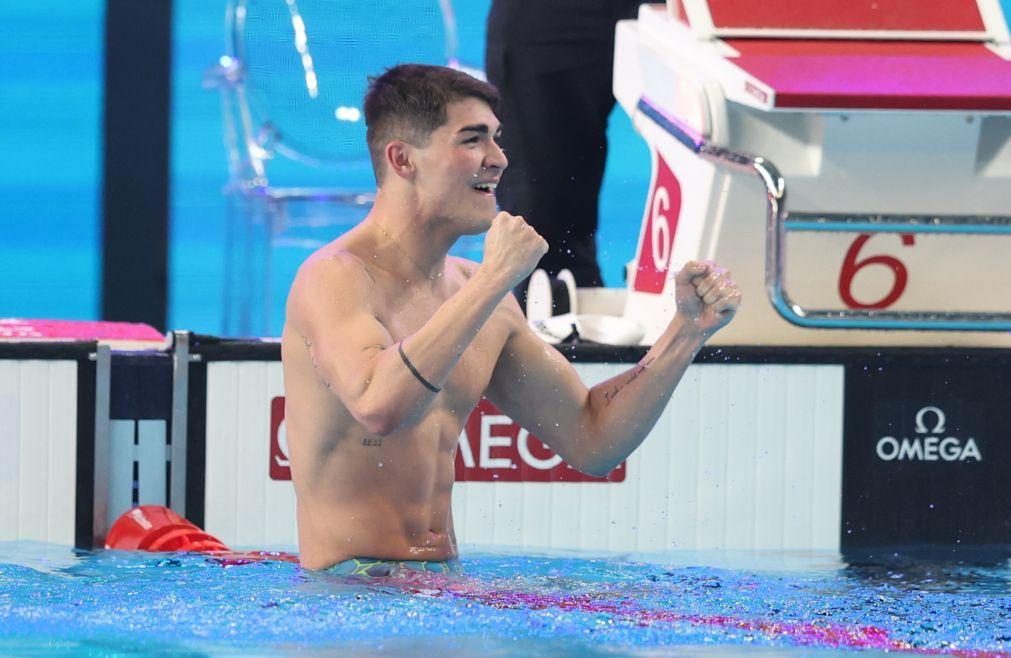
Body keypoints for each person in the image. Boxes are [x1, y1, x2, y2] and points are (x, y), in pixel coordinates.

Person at [280, 64, 740, 574]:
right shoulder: (336, 278)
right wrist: (492, 279)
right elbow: (379, 406)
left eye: (497, 140)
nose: (498, 160)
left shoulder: (484, 297)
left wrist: (685, 332)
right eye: (472, 140)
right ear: (402, 159)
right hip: (347, 600)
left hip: (442, 585)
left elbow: (593, 439)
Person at [486, 0, 643, 303]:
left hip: (692, 11)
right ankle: (558, 333)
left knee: (722, 162)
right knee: (544, 213)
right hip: (550, 16)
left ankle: (724, 315)